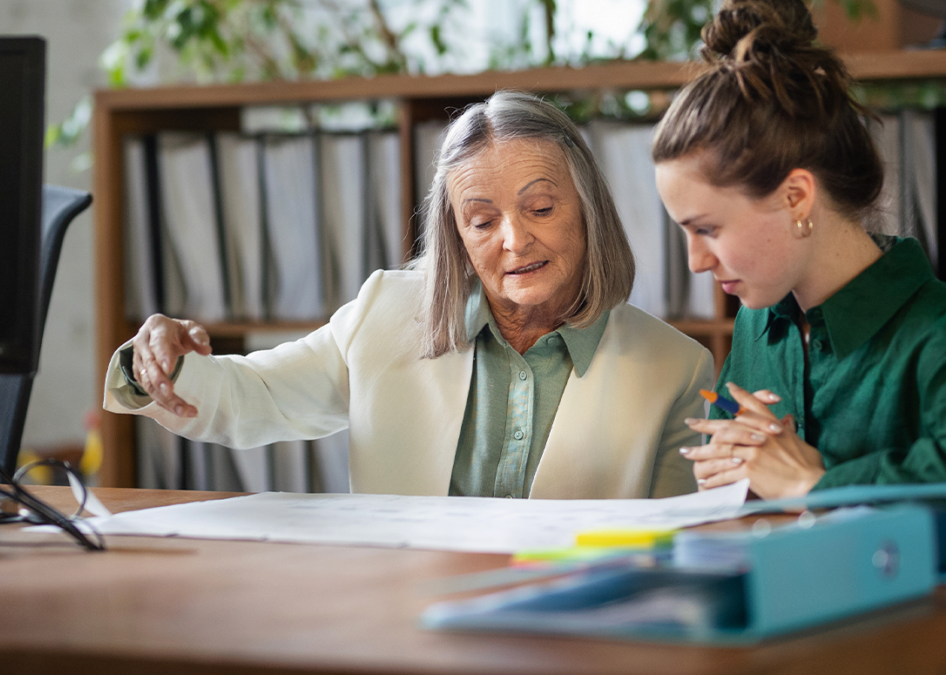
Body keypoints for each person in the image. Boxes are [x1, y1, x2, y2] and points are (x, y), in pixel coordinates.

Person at [104, 90, 713, 499]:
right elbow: (252, 397)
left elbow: (676, 550)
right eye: (481, 220)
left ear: (588, 209)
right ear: (455, 234)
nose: (514, 240)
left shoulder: (675, 368)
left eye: (542, 208)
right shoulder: (385, 313)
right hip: (402, 620)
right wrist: (159, 362)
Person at [652, 0, 946, 499]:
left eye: (708, 229)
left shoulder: (933, 335)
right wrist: (729, 469)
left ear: (796, 197)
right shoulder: (756, 323)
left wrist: (816, 483)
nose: (695, 262)